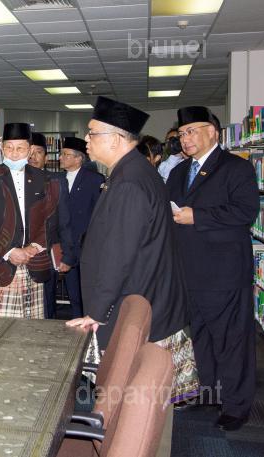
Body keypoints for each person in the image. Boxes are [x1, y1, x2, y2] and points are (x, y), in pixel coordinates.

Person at [66, 96, 187, 353]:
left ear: (115, 139)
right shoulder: (132, 171)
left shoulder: (129, 182)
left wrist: (97, 312)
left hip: (134, 305)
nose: (86, 139)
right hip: (140, 298)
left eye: (92, 133)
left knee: (125, 376)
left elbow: (119, 255)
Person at [166, 106, 259, 431]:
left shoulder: (236, 168)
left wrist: (198, 217)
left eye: (192, 131)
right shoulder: (178, 172)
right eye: (182, 133)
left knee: (232, 342)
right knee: (199, 339)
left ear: (213, 132)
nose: (185, 139)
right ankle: (206, 392)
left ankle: (236, 406)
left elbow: (245, 212)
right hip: (187, 272)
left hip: (224, 274)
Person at [0, 123, 71, 319]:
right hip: (0, 263)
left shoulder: (45, 179)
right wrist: (10, 250)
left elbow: (50, 219)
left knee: (32, 327)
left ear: (29, 150)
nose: (14, 153)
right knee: (0, 327)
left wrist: (34, 247)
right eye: (9, 148)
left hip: (33, 262)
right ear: (2, 149)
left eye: (20, 148)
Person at [29, 132, 76, 319]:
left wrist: (68, 255)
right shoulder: (12, 180)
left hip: (47, 255)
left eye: (38, 152)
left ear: (46, 158)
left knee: (46, 304)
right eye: (30, 152)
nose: (33, 157)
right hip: (19, 254)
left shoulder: (57, 181)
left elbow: (65, 221)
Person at [58, 137, 105, 319]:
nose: (61, 157)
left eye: (66, 154)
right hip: (66, 245)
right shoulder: (56, 179)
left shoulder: (94, 180)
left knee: (88, 293)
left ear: (79, 158)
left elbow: (99, 214)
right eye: (61, 154)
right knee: (73, 295)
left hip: (86, 245)